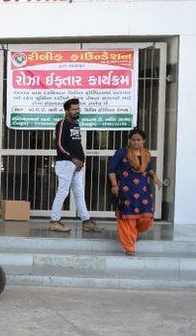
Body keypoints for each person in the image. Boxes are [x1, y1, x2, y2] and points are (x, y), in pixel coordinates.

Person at [108, 129, 163, 256]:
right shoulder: (122, 153)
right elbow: (111, 170)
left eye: (138, 140)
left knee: (147, 217)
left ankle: (133, 233)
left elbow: (149, 169)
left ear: (143, 141)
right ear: (129, 140)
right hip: (126, 191)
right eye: (133, 140)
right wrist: (115, 185)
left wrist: (156, 179)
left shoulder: (146, 154)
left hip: (143, 191)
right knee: (127, 219)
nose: (136, 142)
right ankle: (129, 246)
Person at [49, 98, 100, 233]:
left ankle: (86, 220)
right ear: (67, 111)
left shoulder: (76, 124)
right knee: (62, 192)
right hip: (66, 163)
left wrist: (81, 161)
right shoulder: (62, 123)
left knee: (79, 193)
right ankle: (54, 221)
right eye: (74, 109)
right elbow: (59, 145)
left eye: (78, 108)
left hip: (77, 165)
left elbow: (77, 145)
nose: (77, 111)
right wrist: (72, 159)